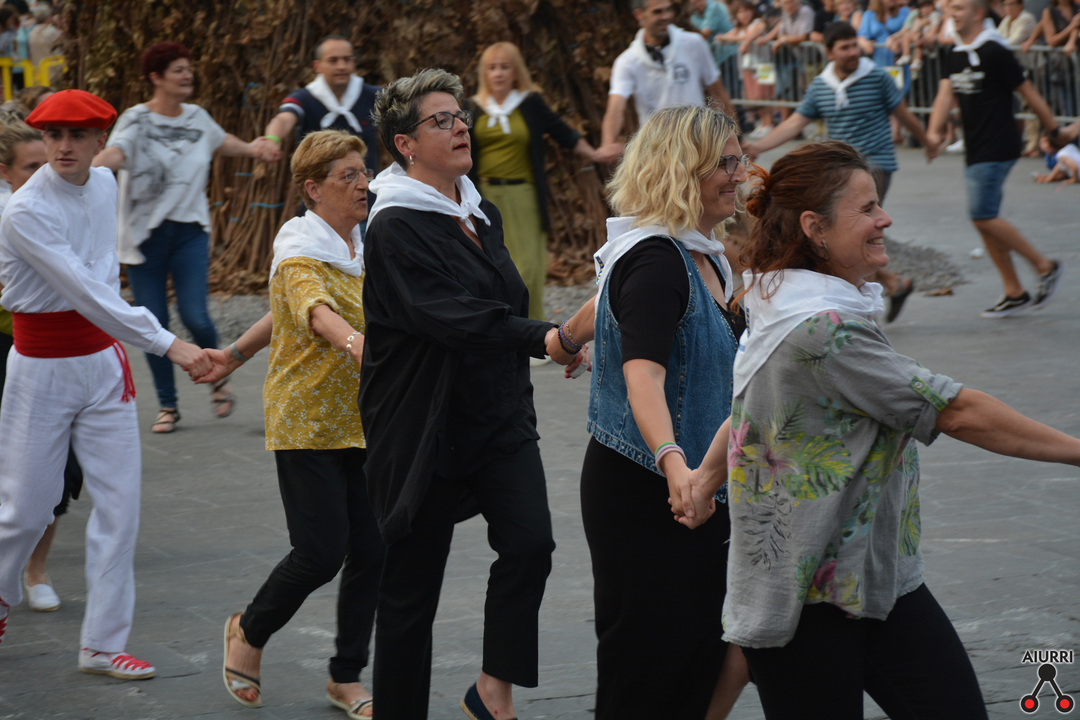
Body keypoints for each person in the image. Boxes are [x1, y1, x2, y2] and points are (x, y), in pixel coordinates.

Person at [680, 139, 1080, 719]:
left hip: (873, 577)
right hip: (810, 599)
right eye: (867, 209)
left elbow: (749, 410)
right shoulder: (821, 328)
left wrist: (704, 478)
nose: (884, 218)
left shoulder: (782, 299)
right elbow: (956, 410)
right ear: (815, 228)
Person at [360, 68, 574, 720]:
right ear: (404, 144)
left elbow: (501, 300)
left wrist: (544, 338)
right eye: (441, 120)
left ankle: (491, 689)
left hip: (496, 413)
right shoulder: (394, 224)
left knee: (531, 544)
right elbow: (448, 316)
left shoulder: (476, 210)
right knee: (411, 594)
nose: (460, 127)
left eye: (460, 116)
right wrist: (546, 337)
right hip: (424, 425)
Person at [0, 89, 211, 676]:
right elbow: (87, 292)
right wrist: (172, 345)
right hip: (41, 370)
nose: (63, 146)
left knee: (121, 508)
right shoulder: (25, 210)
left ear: (100, 140)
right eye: (53, 135)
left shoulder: (103, 184)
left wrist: (143, 341)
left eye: (77, 135)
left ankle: (102, 644)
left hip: (102, 365)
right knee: (27, 510)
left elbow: (101, 279)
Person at [554, 104, 751, 720]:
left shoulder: (700, 253)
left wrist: (565, 338)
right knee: (648, 664)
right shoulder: (657, 260)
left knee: (700, 650)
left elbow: (607, 300)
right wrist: (673, 463)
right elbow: (645, 376)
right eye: (725, 163)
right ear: (681, 169)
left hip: (695, 483)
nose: (740, 174)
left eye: (739, 160)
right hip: (647, 489)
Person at [193, 130, 383, 719]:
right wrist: (359, 345)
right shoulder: (299, 246)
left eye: (363, 172)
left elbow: (278, 312)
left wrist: (234, 354)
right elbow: (310, 310)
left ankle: (345, 676)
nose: (363, 184)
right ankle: (249, 631)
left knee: (372, 550)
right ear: (313, 188)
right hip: (307, 420)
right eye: (348, 175)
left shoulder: (362, 241)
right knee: (321, 551)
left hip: (365, 417)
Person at [94, 41, 272, 433]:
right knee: (153, 323)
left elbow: (221, 141)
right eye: (178, 69)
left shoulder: (197, 117)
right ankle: (168, 405)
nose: (187, 74)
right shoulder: (137, 119)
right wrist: (86, 170)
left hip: (189, 232)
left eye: (188, 68)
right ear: (156, 77)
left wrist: (253, 149)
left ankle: (219, 376)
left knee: (195, 315)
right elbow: (117, 153)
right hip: (144, 237)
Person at [745, 21, 931, 321]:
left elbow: (903, 113)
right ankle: (893, 284)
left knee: (856, 233)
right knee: (845, 236)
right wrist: (759, 146)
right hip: (837, 172)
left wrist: (927, 140)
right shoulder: (822, 85)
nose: (853, 52)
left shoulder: (876, 77)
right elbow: (796, 121)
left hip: (875, 166)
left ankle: (862, 314)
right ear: (829, 52)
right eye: (845, 48)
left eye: (855, 45)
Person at [464, 42, 618, 324]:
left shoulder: (529, 103)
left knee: (528, 268)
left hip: (524, 196)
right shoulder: (472, 107)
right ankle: (501, 330)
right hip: (484, 197)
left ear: (515, 71)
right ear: (484, 73)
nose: (498, 74)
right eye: (492, 68)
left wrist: (595, 154)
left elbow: (563, 133)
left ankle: (531, 328)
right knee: (492, 266)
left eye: (504, 67)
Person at [927, 0, 1064, 318]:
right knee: (985, 220)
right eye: (950, 8)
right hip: (976, 146)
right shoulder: (956, 52)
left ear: (977, 13)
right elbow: (945, 95)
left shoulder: (994, 51)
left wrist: (1055, 130)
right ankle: (1014, 290)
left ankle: (1045, 266)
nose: (952, 14)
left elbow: (1028, 93)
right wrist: (932, 133)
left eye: (959, 8)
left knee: (983, 215)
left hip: (998, 144)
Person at [0, 119, 79, 614]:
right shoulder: (11, 215)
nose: (42, 174)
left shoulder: (71, 203)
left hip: (61, 351)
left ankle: (36, 569)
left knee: (61, 467)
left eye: (44, 164)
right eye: (30, 166)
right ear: (5, 171)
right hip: (10, 346)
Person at [601, 0, 731, 149]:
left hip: (698, 142)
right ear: (639, 14)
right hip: (657, 148)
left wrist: (732, 137)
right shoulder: (628, 61)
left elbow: (717, 91)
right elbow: (616, 108)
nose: (666, 16)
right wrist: (607, 144)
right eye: (658, 12)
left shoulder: (694, 44)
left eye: (668, 9)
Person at [259, 35, 380, 177]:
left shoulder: (373, 95)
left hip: (366, 185)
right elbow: (284, 119)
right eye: (333, 60)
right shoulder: (304, 98)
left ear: (353, 62)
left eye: (347, 60)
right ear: (317, 66)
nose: (341, 66)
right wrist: (272, 140)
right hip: (318, 187)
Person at [858, 0, 911, 64]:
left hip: (901, 60)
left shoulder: (904, 12)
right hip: (879, 61)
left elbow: (910, 30)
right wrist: (865, 43)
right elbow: (861, 36)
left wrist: (897, 38)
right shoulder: (869, 14)